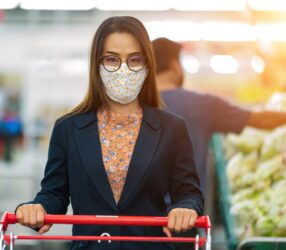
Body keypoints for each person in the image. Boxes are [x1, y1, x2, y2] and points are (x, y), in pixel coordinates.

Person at [15, 17, 204, 250]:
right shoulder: (68, 129)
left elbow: (189, 192)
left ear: (148, 64)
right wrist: (37, 208)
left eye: (134, 59)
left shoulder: (172, 128)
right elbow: (54, 193)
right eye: (112, 59)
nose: (123, 69)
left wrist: (185, 208)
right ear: (97, 64)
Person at [152, 37, 286, 195]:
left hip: (139, 215)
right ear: (175, 66)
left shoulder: (129, 106)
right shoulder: (203, 105)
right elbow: (261, 120)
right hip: (185, 214)